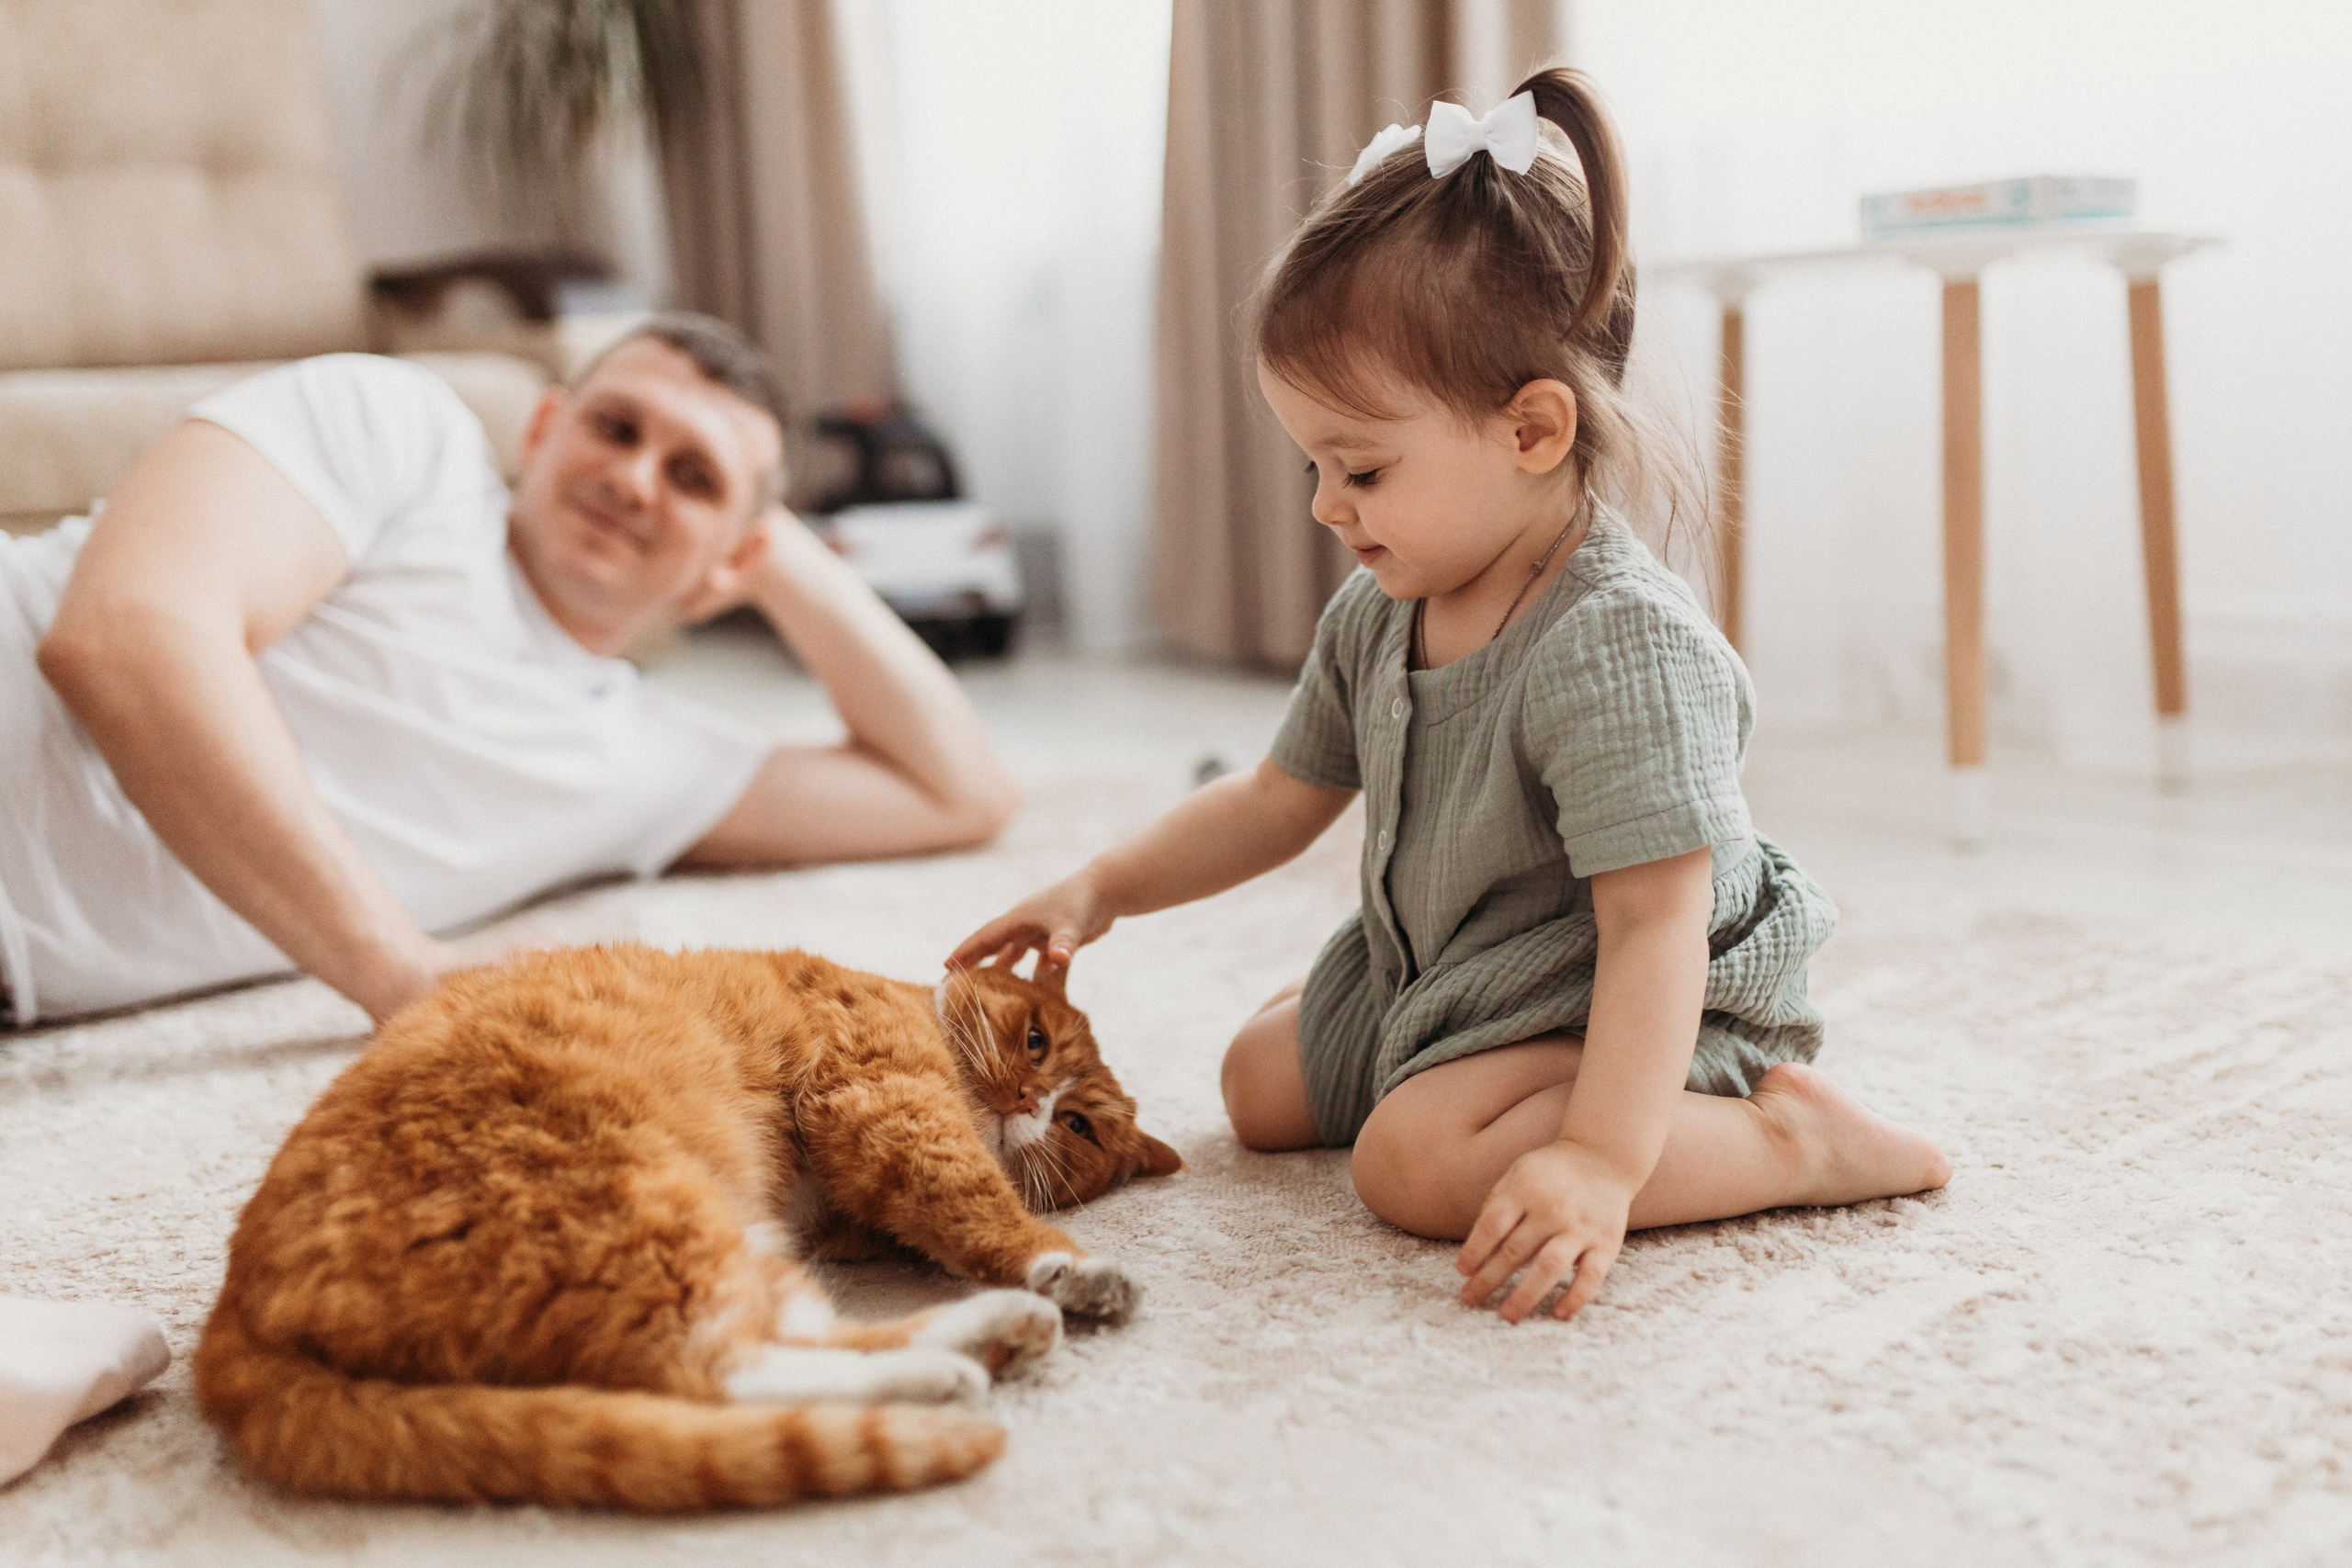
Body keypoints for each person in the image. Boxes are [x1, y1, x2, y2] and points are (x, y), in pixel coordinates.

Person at [949, 72, 1951, 1324]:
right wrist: (1100, 886)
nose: (1326, 503)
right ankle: (1466, 1065)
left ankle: (1793, 1144)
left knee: (1406, 1163)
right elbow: (1273, 796)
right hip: (1450, 967)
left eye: (1359, 466)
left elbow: (1655, 930)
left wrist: (1596, 1160)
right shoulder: (1381, 609)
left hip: (1619, 986)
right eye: (1312, 463)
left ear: (1533, 431)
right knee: (1259, 1083)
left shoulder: (1619, 648)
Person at [2, 314, 1016, 1029]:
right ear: (540, 430)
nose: (631, 477)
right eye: (615, 427)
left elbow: (959, 789)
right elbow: (126, 636)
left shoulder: (644, 763)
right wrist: (397, 969)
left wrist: (772, 552)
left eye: (691, 475)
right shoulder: (401, 435)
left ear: (734, 560)